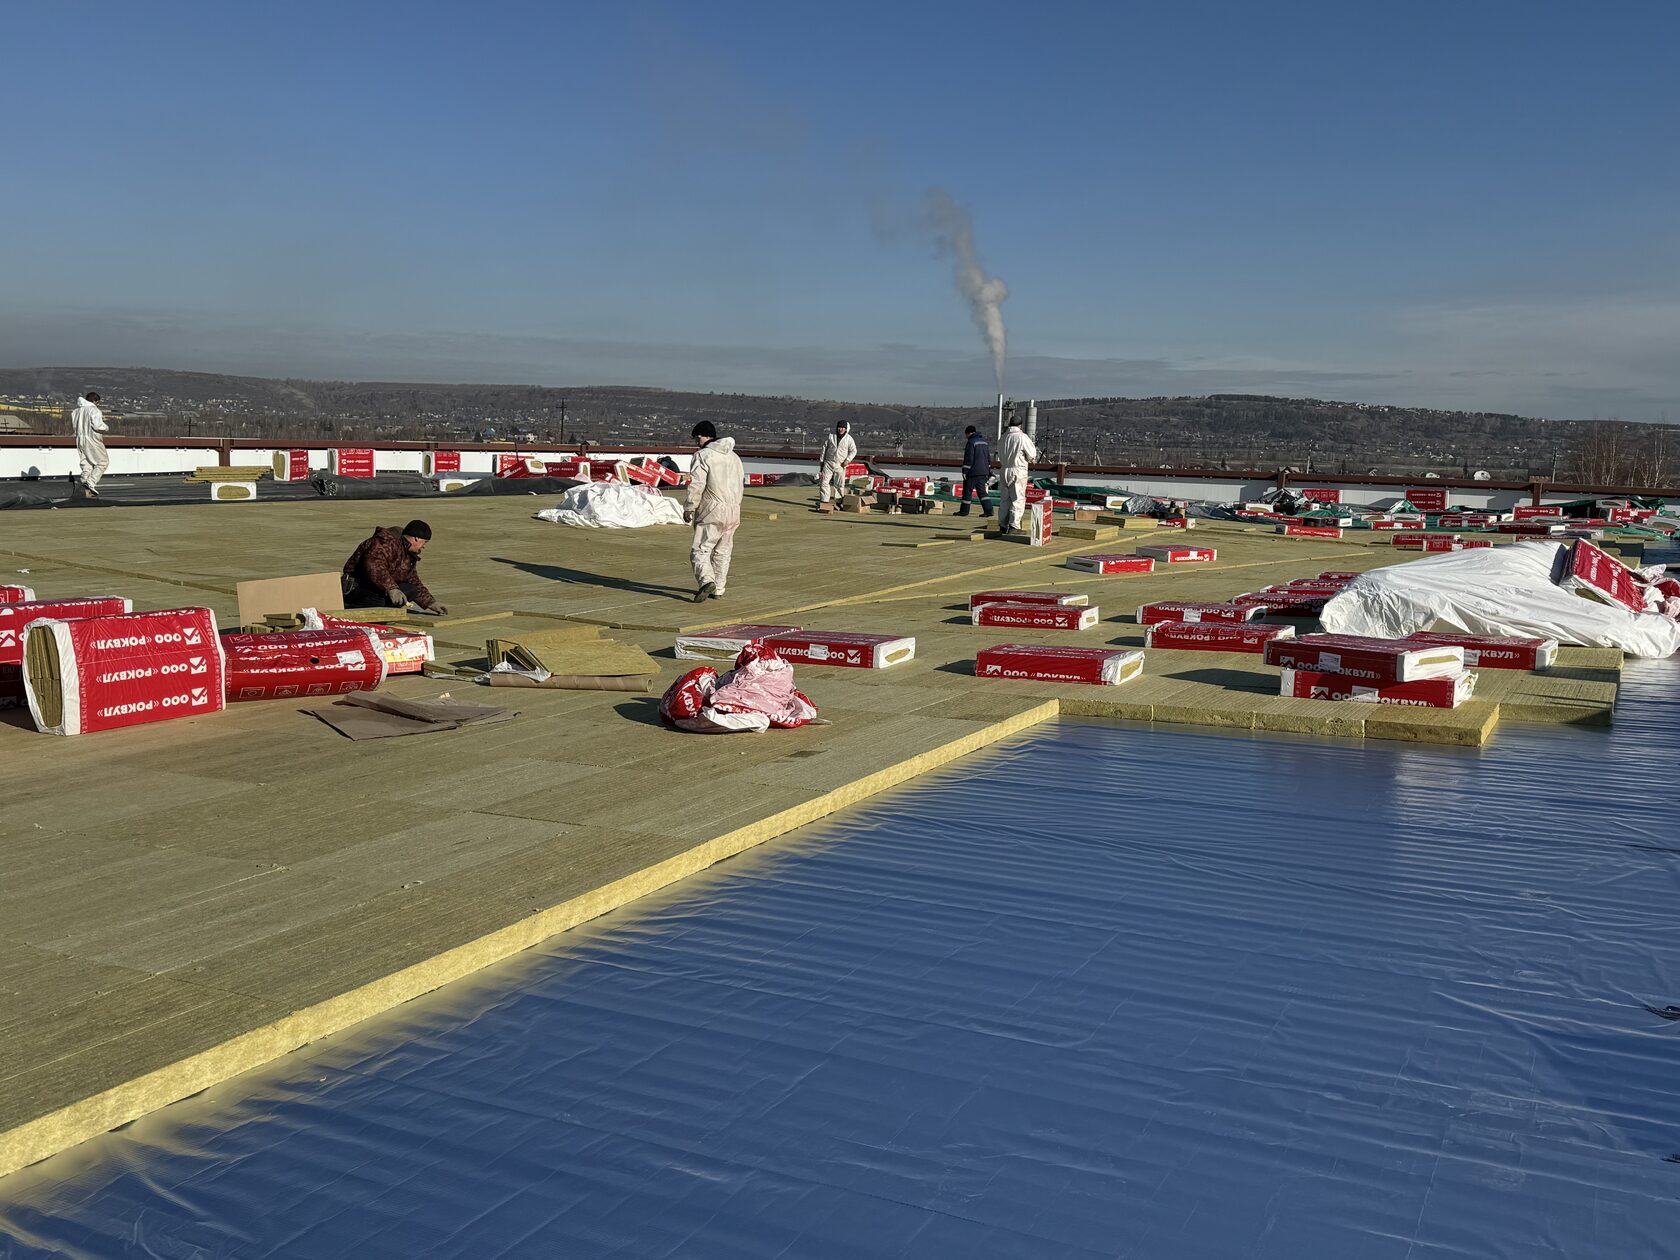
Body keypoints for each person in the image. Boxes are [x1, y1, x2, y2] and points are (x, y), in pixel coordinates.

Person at [685, 420, 743, 602]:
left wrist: (690, 506)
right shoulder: (734, 457)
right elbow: (740, 484)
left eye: (697, 438)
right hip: (734, 510)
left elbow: (697, 484)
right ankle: (718, 589)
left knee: (701, 550)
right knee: (722, 552)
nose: (697, 442)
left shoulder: (703, 455)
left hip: (712, 510)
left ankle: (706, 581)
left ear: (703, 436)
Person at [342, 520, 448, 614]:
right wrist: (392, 588)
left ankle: (381, 608)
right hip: (357, 587)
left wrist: (431, 603)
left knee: (411, 590)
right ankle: (350, 607)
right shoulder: (382, 543)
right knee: (379, 600)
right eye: (425, 542)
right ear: (416, 538)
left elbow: (412, 580)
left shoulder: (407, 552)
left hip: (377, 588)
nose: (424, 546)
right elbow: (374, 567)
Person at [996, 413, 1038, 536]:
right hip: (1017, 470)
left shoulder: (1003, 437)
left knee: (1005, 499)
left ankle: (1002, 525)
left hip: (1004, 470)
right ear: (1021, 425)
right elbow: (1032, 454)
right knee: (1017, 499)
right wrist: (1032, 459)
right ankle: (1014, 526)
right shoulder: (1022, 437)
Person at [71, 391, 109, 497]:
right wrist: (106, 427)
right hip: (92, 439)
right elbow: (98, 426)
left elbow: (75, 426)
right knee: (103, 462)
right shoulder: (94, 410)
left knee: (86, 463)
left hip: (80, 439)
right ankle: (90, 483)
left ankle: (83, 482)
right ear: (95, 401)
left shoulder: (76, 411)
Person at [816, 419, 857, 506]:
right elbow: (824, 449)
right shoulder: (831, 437)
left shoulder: (849, 439)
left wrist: (847, 460)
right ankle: (824, 501)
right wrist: (822, 462)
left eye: (842, 427)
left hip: (840, 465)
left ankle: (839, 502)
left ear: (846, 429)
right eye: (839, 427)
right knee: (824, 482)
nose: (840, 429)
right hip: (828, 463)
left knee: (839, 484)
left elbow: (853, 451)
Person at [956, 424, 992, 518]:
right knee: (982, 492)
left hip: (973, 472)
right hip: (983, 472)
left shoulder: (971, 442)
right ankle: (989, 510)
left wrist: (965, 471)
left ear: (968, 433)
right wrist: (988, 470)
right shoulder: (984, 442)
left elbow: (969, 458)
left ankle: (964, 511)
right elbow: (988, 458)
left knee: (967, 491)